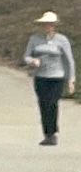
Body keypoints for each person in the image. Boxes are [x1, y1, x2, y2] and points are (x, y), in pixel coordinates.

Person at [23, 12, 76, 146]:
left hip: (57, 77)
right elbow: (26, 56)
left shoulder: (62, 40)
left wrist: (71, 79)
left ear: (54, 26)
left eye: (50, 24)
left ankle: (53, 132)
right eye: (45, 24)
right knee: (43, 104)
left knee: (52, 103)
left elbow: (69, 60)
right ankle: (47, 133)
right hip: (41, 77)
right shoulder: (34, 39)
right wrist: (32, 61)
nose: (48, 27)